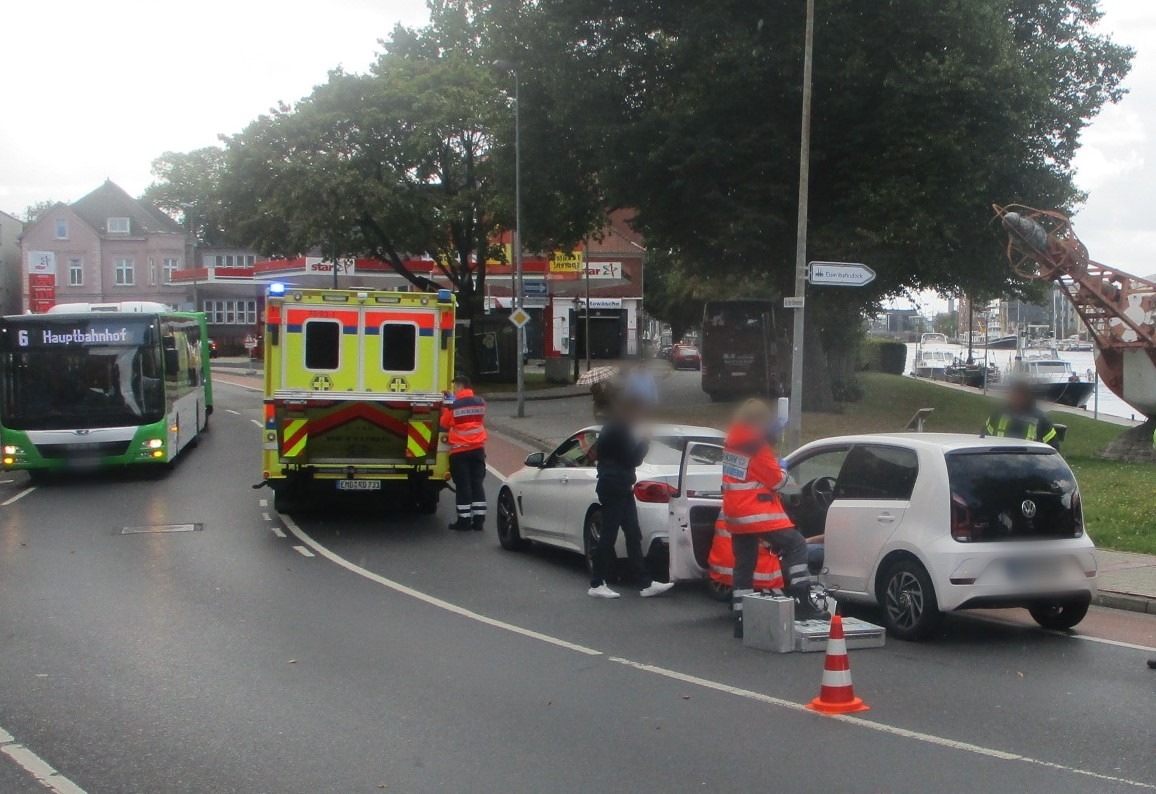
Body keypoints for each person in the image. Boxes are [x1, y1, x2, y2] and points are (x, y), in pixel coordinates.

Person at [723, 399, 828, 638]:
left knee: (744, 566)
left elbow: (746, 472)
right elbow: (777, 481)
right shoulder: (757, 446)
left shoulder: (732, 442)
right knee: (797, 544)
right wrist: (782, 467)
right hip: (757, 511)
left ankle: (741, 619)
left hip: (736, 513)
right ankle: (802, 602)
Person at [588, 396, 675, 599]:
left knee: (633, 533)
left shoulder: (613, 428)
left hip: (620, 485)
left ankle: (644, 582)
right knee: (609, 534)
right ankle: (597, 582)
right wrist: (645, 440)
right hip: (615, 485)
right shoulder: (619, 430)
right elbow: (633, 459)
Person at [440, 375, 488, 531]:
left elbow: (444, 424)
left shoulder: (454, 406)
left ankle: (464, 520)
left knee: (463, 486)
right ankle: (479, 519)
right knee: (477, 484)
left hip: (460, 451)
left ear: (460, 386)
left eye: (455, 387)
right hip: (478, 450)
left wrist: (447, 405)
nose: (454, 389)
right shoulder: (480, 403)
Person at [983, 380, 1059, 448]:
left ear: (1027, 397)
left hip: (1027, 462)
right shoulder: (998, 414)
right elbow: (983, 439)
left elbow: (1052, 449)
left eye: (1018, 397)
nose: (1014, 399)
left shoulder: (1041, 420)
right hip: (998, 460)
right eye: (1013, 395)